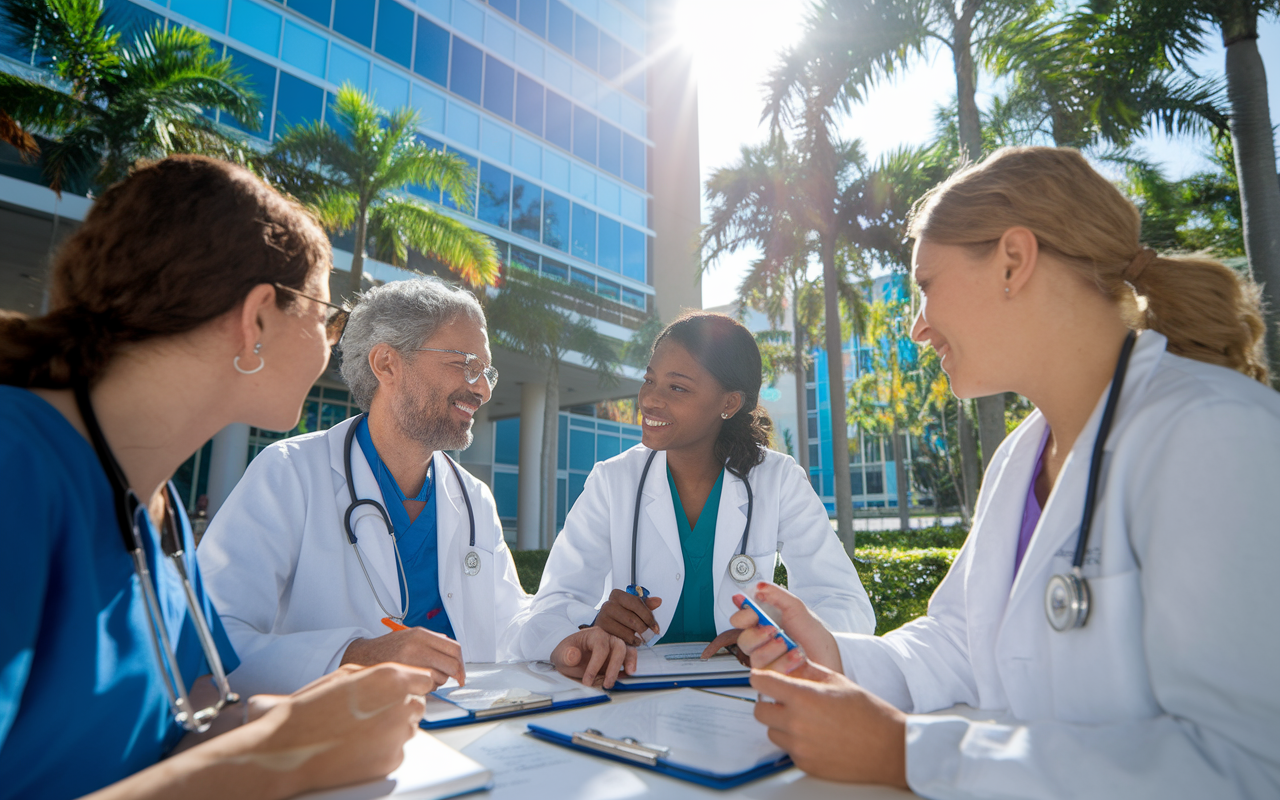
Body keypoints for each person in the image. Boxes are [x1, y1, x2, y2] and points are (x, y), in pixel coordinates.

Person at [730, 146, 1280, 798]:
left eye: (926, 287)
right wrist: (836, 653)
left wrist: (907, 753)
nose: (917, 328)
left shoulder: (1214, 431)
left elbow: (1248, 764)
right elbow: (960, 643)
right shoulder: (1023, 456)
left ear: (1014, 262)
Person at [0, 155, 436, 800]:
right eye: (324, 317)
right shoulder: (15, 466)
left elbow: (198, 715)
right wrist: (283, 753)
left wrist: (321, 712)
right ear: (256, 318)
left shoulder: (159, 508)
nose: (328, 347)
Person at [199, 278, 631, 694]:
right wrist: (357, 657)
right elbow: (210, 639)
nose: (481, 388)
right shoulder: (289, 474)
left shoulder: (472, 498)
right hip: (339, 743)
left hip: (461, 734)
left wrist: (566, 642)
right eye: (466, 364)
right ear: (387, 363)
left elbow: (509, 620)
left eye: (487, 372)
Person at [518, 313, 876, 663]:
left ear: (729, 403)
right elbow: (548, 607)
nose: (649, 400)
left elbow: (845, 603)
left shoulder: (778, 480)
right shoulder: (613, 481)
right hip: (632, 696)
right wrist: (592, 623)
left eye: (677, 387)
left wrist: (778, 637)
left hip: (744, 696)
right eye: (649, 380)